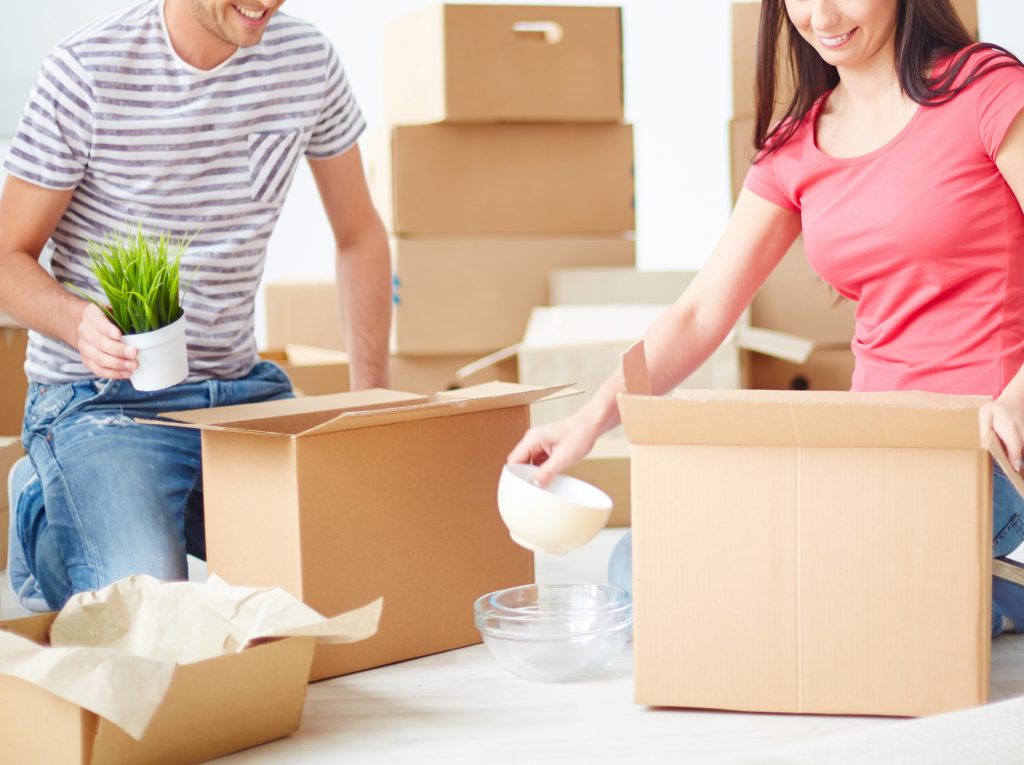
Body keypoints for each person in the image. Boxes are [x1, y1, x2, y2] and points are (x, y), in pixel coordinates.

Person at [508, 0, 1024, 637]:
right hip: (871, 445)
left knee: (788, 583)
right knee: (645, 560)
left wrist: (1017, 397)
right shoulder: (798, 142)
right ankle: (966, 594)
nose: (821, 15)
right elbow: (700, 312)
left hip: (987, 447)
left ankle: (942, 594)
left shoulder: (985, 89)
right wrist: (588, 421)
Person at [0, 0, 391, 611]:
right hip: (103, 402)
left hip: (241, 392)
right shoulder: (85, 68)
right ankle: (45, 503)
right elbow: (7, 257)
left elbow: (359, 234)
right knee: (155, 619)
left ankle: (105, 503)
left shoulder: (306, 58)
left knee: (349, 576)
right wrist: (78, 325)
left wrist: (372, 403)